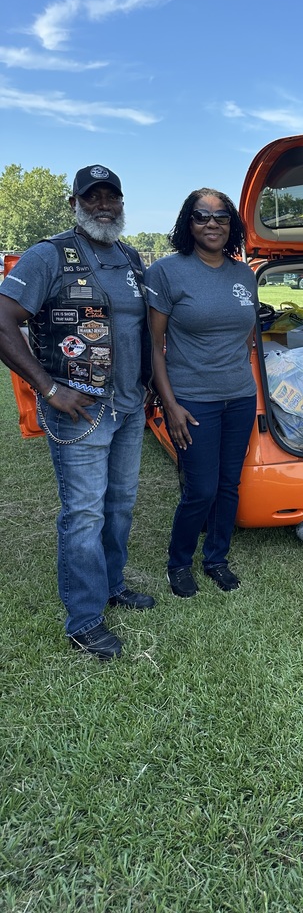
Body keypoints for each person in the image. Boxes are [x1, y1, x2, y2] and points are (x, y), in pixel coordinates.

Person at [0, 165, 154, 660]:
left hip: (129, 406)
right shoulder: (49, 255)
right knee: (84, 513)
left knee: (120, 505)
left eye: (112, 196)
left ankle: (111, 585)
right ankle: (84, 619)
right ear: (75, 204)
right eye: (93, 197)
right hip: (79, 407)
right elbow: (4, 320)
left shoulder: (130, 258)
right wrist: (47, 388)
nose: (103, 204)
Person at [145, 189, 257, 599]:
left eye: (221, 217)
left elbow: (246, 336)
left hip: (240, 397)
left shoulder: (243, 274)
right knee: (201, 489)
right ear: (187, 224)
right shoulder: (167, 272)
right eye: (201, 216)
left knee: (229, 485)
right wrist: (170, 404)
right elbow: (154, 345)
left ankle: (216, 559)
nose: (212, 224)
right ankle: (179, 562)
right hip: (192, 402)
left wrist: (233, 371)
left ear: (232, 225)